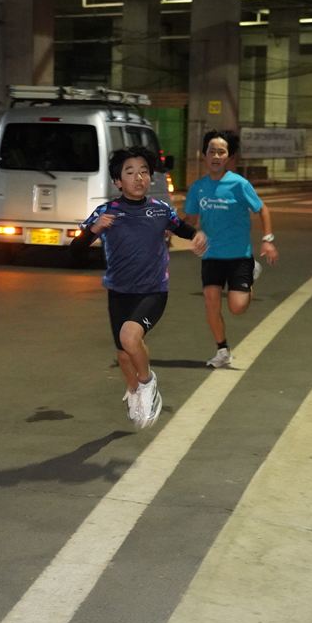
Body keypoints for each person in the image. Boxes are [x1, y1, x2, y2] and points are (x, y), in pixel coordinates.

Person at [71, 146, 207, 429]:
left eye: (144, 172)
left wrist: (196, 236)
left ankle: (147, 384)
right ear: (118, 181)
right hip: (119, 292)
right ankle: (134, 392)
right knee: (123, 354)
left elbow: (181, 227)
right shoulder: (106, 212)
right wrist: (95, 229)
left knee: (130, 337)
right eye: (130, 172)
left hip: (153, 290)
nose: (139, 177)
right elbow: (75, 250)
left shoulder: (160, 210)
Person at [184, 129, 279, 369]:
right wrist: (174, 228)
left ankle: (251, 272)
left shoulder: (239, 184)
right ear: (204, 155)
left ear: (229, 157)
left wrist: (267, 239)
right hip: (211, 255)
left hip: (238, 256)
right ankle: (222, 350)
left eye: (221, 152)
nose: (216, 156)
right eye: (212, 151)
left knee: (237, 307)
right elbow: (190, 219)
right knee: (211, 302)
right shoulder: (198, 188)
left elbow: (262, 209)